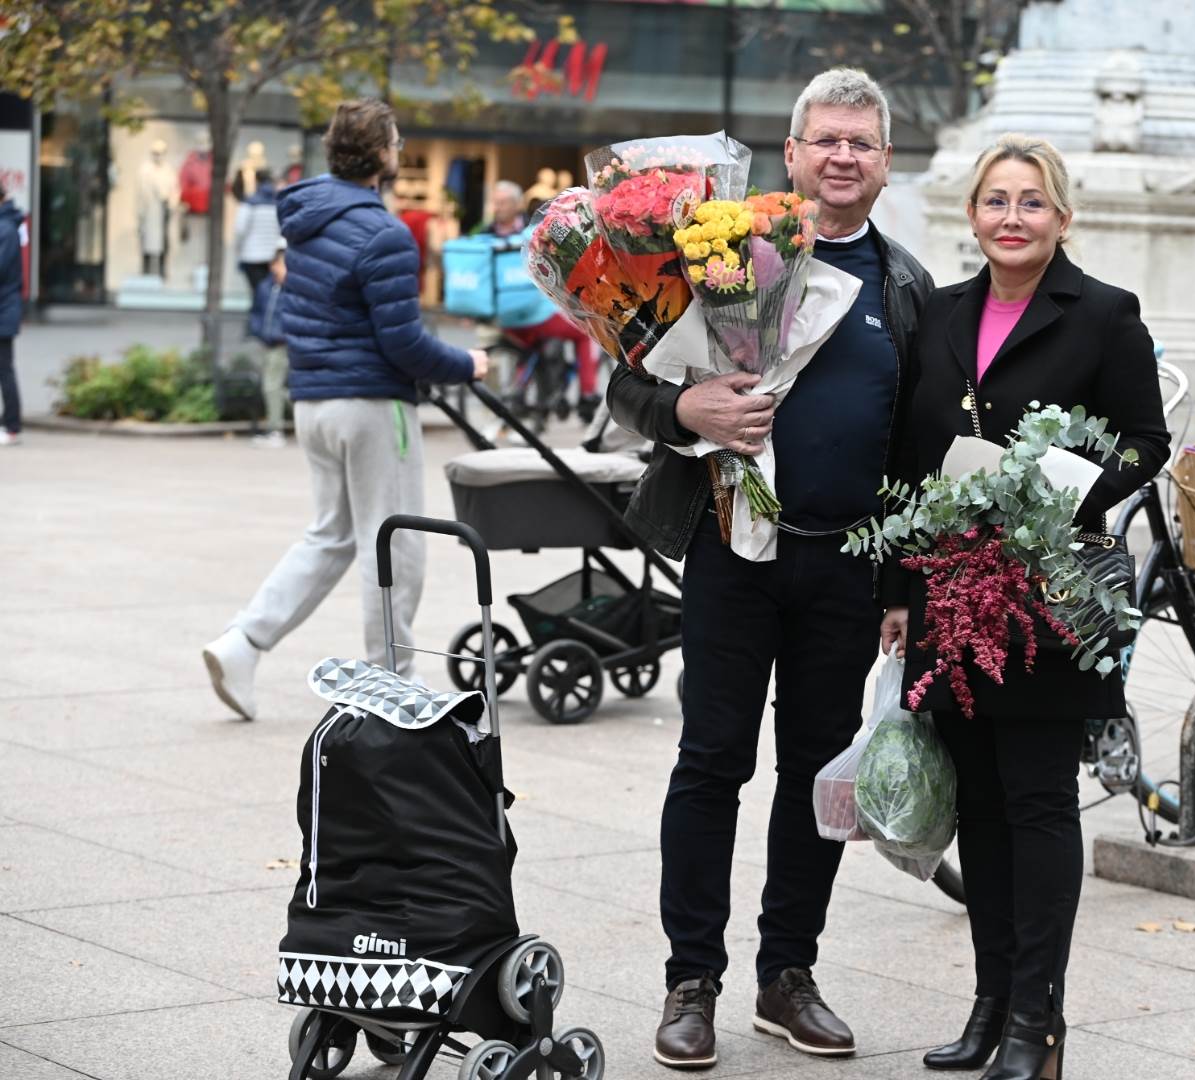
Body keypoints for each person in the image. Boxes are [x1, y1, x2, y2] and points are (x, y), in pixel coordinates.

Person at [607, 68, 932, 1070]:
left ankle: (786, 974)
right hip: (728, 548)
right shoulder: (715, 251)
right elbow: (629, 380)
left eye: (861, 143)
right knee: (711, 763)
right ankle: (689, 981)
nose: (842, 156)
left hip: (845, 568)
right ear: (790, 156)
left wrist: (901, 588)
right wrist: (685, 412)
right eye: (824, 139)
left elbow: (917, 450)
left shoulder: (906, 288)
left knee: (812, 778)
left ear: (884, 165)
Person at [879, 134, 1171, 1080]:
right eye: (996, 201)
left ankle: (1037, 1026)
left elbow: (1145, 443)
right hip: (951, 594)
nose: (1013, 217)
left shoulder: (1106, 317)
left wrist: (1055, 493)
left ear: (1062, 217)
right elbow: (906, 457)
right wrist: (896, 589)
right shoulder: (939, 313)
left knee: (1038, 803)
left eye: (1032, 202)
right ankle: (991, 1004)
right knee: (979, 809)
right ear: (972, 215)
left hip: (1047, 595)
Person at [201, 98, 489, 722]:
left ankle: (243, 644)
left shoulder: (304, 218)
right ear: (383, 153)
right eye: (395, 140)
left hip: (314, 403)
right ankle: (395, 687)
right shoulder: (384, 233)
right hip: (371, 407)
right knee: (395, 544)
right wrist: (468, 363)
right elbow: (404, 344)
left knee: (331, 536)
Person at [475, 179, 601, 418]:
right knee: (585, 331)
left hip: (505, 317)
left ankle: (524, 392)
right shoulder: (534, 231)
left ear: (515, 204)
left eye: (501, 203)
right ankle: (588, 394)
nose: (497, 208)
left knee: (531, 342)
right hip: (534, 314)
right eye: (496, 203)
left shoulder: (484, 236)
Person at [249, 241, 290, 448]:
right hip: (267, 342)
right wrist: (259, 332)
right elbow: (256, 312)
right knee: (276, 387)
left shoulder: (293, 289)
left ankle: (275, 430)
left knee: (272, 386)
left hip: (284, 344)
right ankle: (278, 425)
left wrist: (283, 334)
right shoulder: (266, 287)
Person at [234, 169, 282, 295]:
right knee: (268, 293)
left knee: (257, 293)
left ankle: (258, 314)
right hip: (272, 256)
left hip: (252, 255)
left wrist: (238, 248)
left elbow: (240, 229)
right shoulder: (279, 203)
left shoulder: (249, 203)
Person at [0, 179, 22, 446]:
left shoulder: (5, 228)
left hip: (4, 310)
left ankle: (12, 425)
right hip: (5, 307)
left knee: (4, 368)